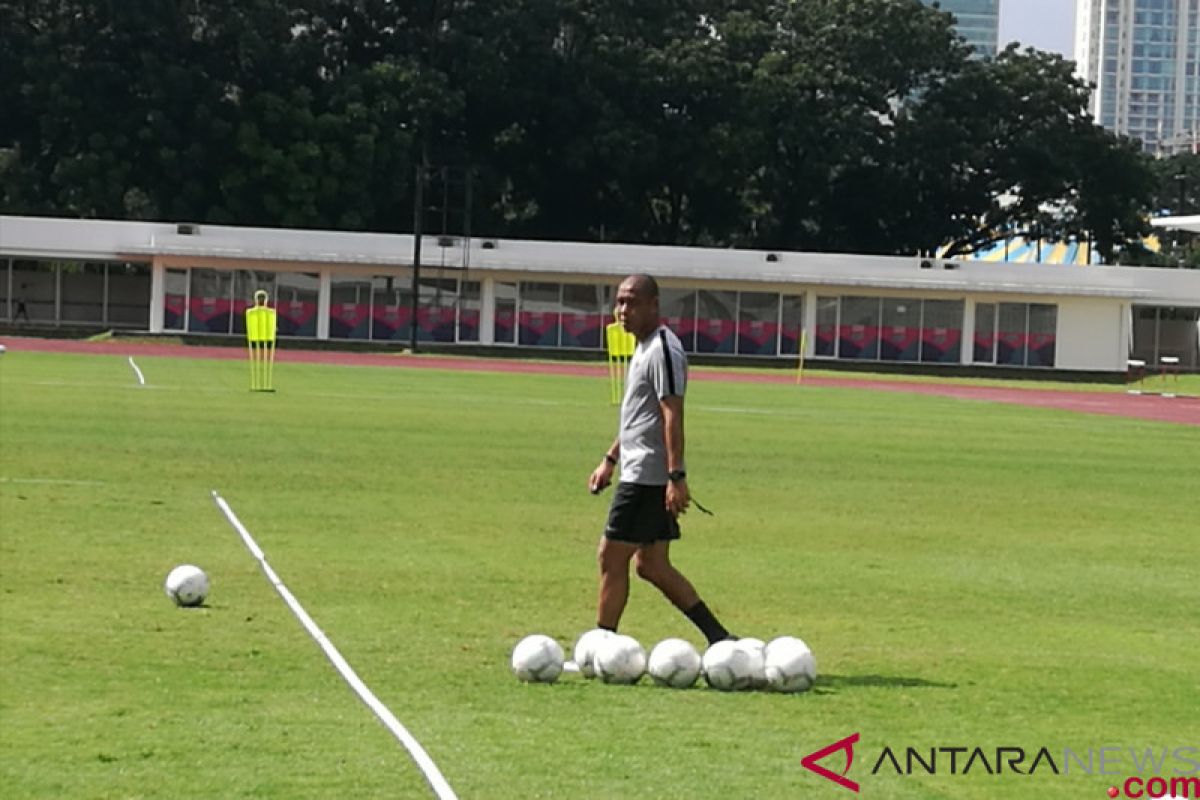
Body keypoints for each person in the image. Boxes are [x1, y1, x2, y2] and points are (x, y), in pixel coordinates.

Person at [587, 274, 734, 645]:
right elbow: (640, 417)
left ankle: (602, 645)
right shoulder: (644, 346)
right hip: (640, 469)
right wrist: (610, 458)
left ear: (654, 305)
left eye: (631, 302)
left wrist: (676, 476)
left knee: (611, 557)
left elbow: (672, 413)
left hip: (648, 477)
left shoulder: (663, 350)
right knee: (652, 565)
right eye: (619, 302)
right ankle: (720, 638)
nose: (623, 310)